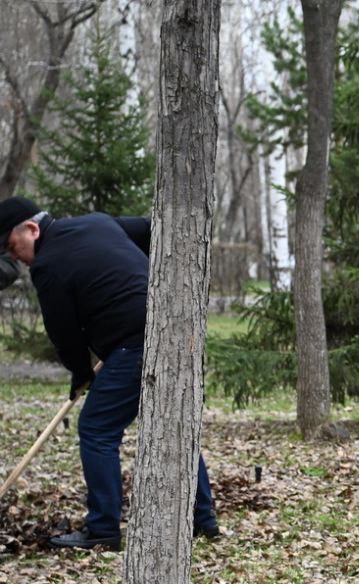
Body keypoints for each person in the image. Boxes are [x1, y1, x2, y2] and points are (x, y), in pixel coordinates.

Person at [0, 196, 219, 550]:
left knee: (96, 428)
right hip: (173, 331)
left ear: (32, 228)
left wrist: (80, 372)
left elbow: (65, 335)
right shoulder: (98, 222)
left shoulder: (48, 266)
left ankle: (102, 528)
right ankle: (203, 519)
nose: (18, 258)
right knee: (171, 423)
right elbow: (152, 230)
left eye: (13, 247)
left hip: (136, 344)